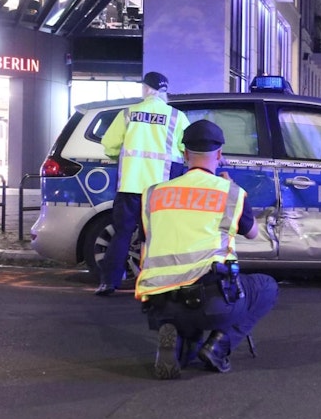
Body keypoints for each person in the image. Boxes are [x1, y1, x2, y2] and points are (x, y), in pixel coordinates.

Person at [137, 120, 278, 379]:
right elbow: (253, 233)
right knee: (266, 286)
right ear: (220, 154)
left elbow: (146, 237)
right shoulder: (230, 193)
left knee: (185, 335)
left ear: (185, 154)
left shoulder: (154, 194)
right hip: (211, 301)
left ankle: (176, 340)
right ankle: (217, 347)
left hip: (159, 302)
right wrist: (230, 188)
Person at [95, 71, 190, 296]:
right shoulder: (176, 117)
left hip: (130, 186)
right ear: (165, 92)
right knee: (155, 238)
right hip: (161, 189)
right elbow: (186, 149)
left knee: (122, 234)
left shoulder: (129, 114)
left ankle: (109, 283)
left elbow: (109, 146)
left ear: (145, 89)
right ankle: (155, 285)